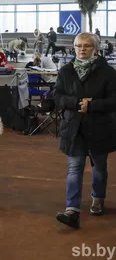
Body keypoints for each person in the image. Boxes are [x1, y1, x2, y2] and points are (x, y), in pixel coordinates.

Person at [54, 32, 116, 229]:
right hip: (74, 128)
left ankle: (98, 197)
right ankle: (72, 210)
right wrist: (77, 103)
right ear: (74, 47)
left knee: (99, 167)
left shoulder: (108, 72)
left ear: (95, 48)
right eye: (79, 45)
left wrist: (93, 105)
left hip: (100, 128)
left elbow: (114, 101)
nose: (82, 49)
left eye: (87, 45)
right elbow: (57, 97)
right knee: (74, 168)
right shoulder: (65, 71)